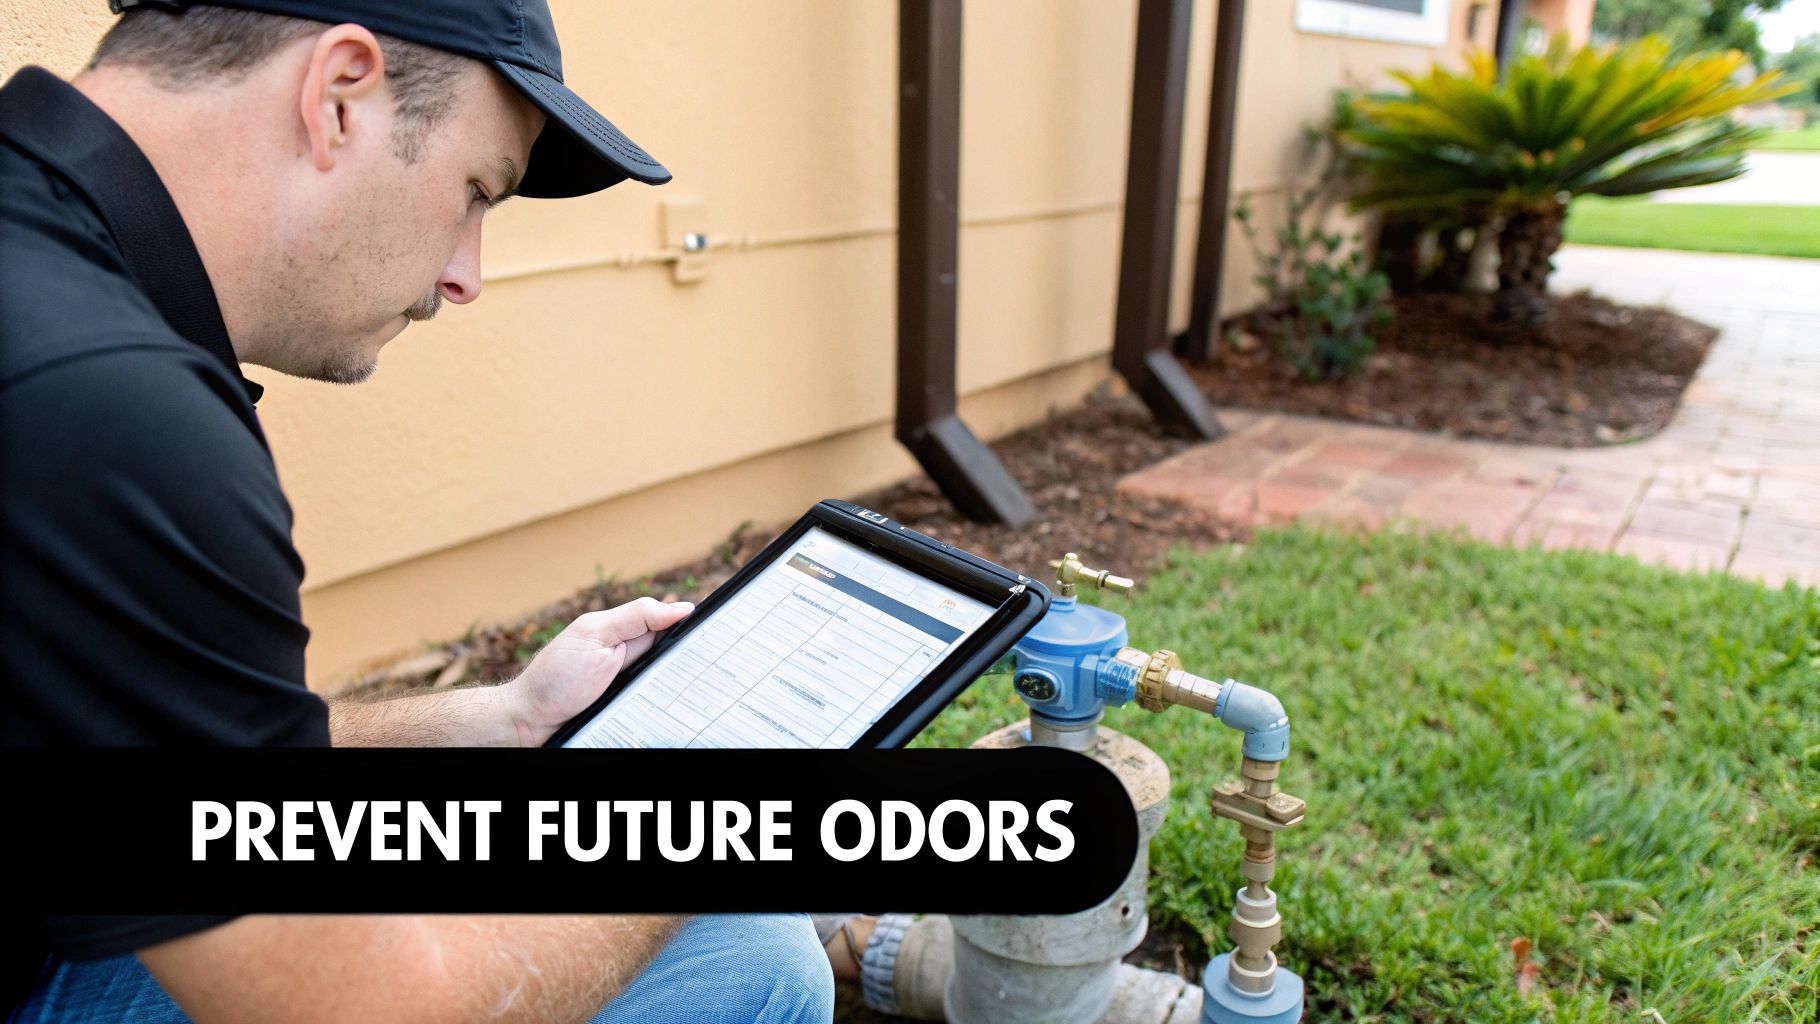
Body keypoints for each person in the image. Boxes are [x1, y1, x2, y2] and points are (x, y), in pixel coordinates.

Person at [0, 1, 867, 1020]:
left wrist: (497, 720)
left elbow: (138, 729)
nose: (465, 275)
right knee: (743, 960)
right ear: (338, 98)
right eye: (473, 193)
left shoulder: (44, 270)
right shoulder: (112, 406)